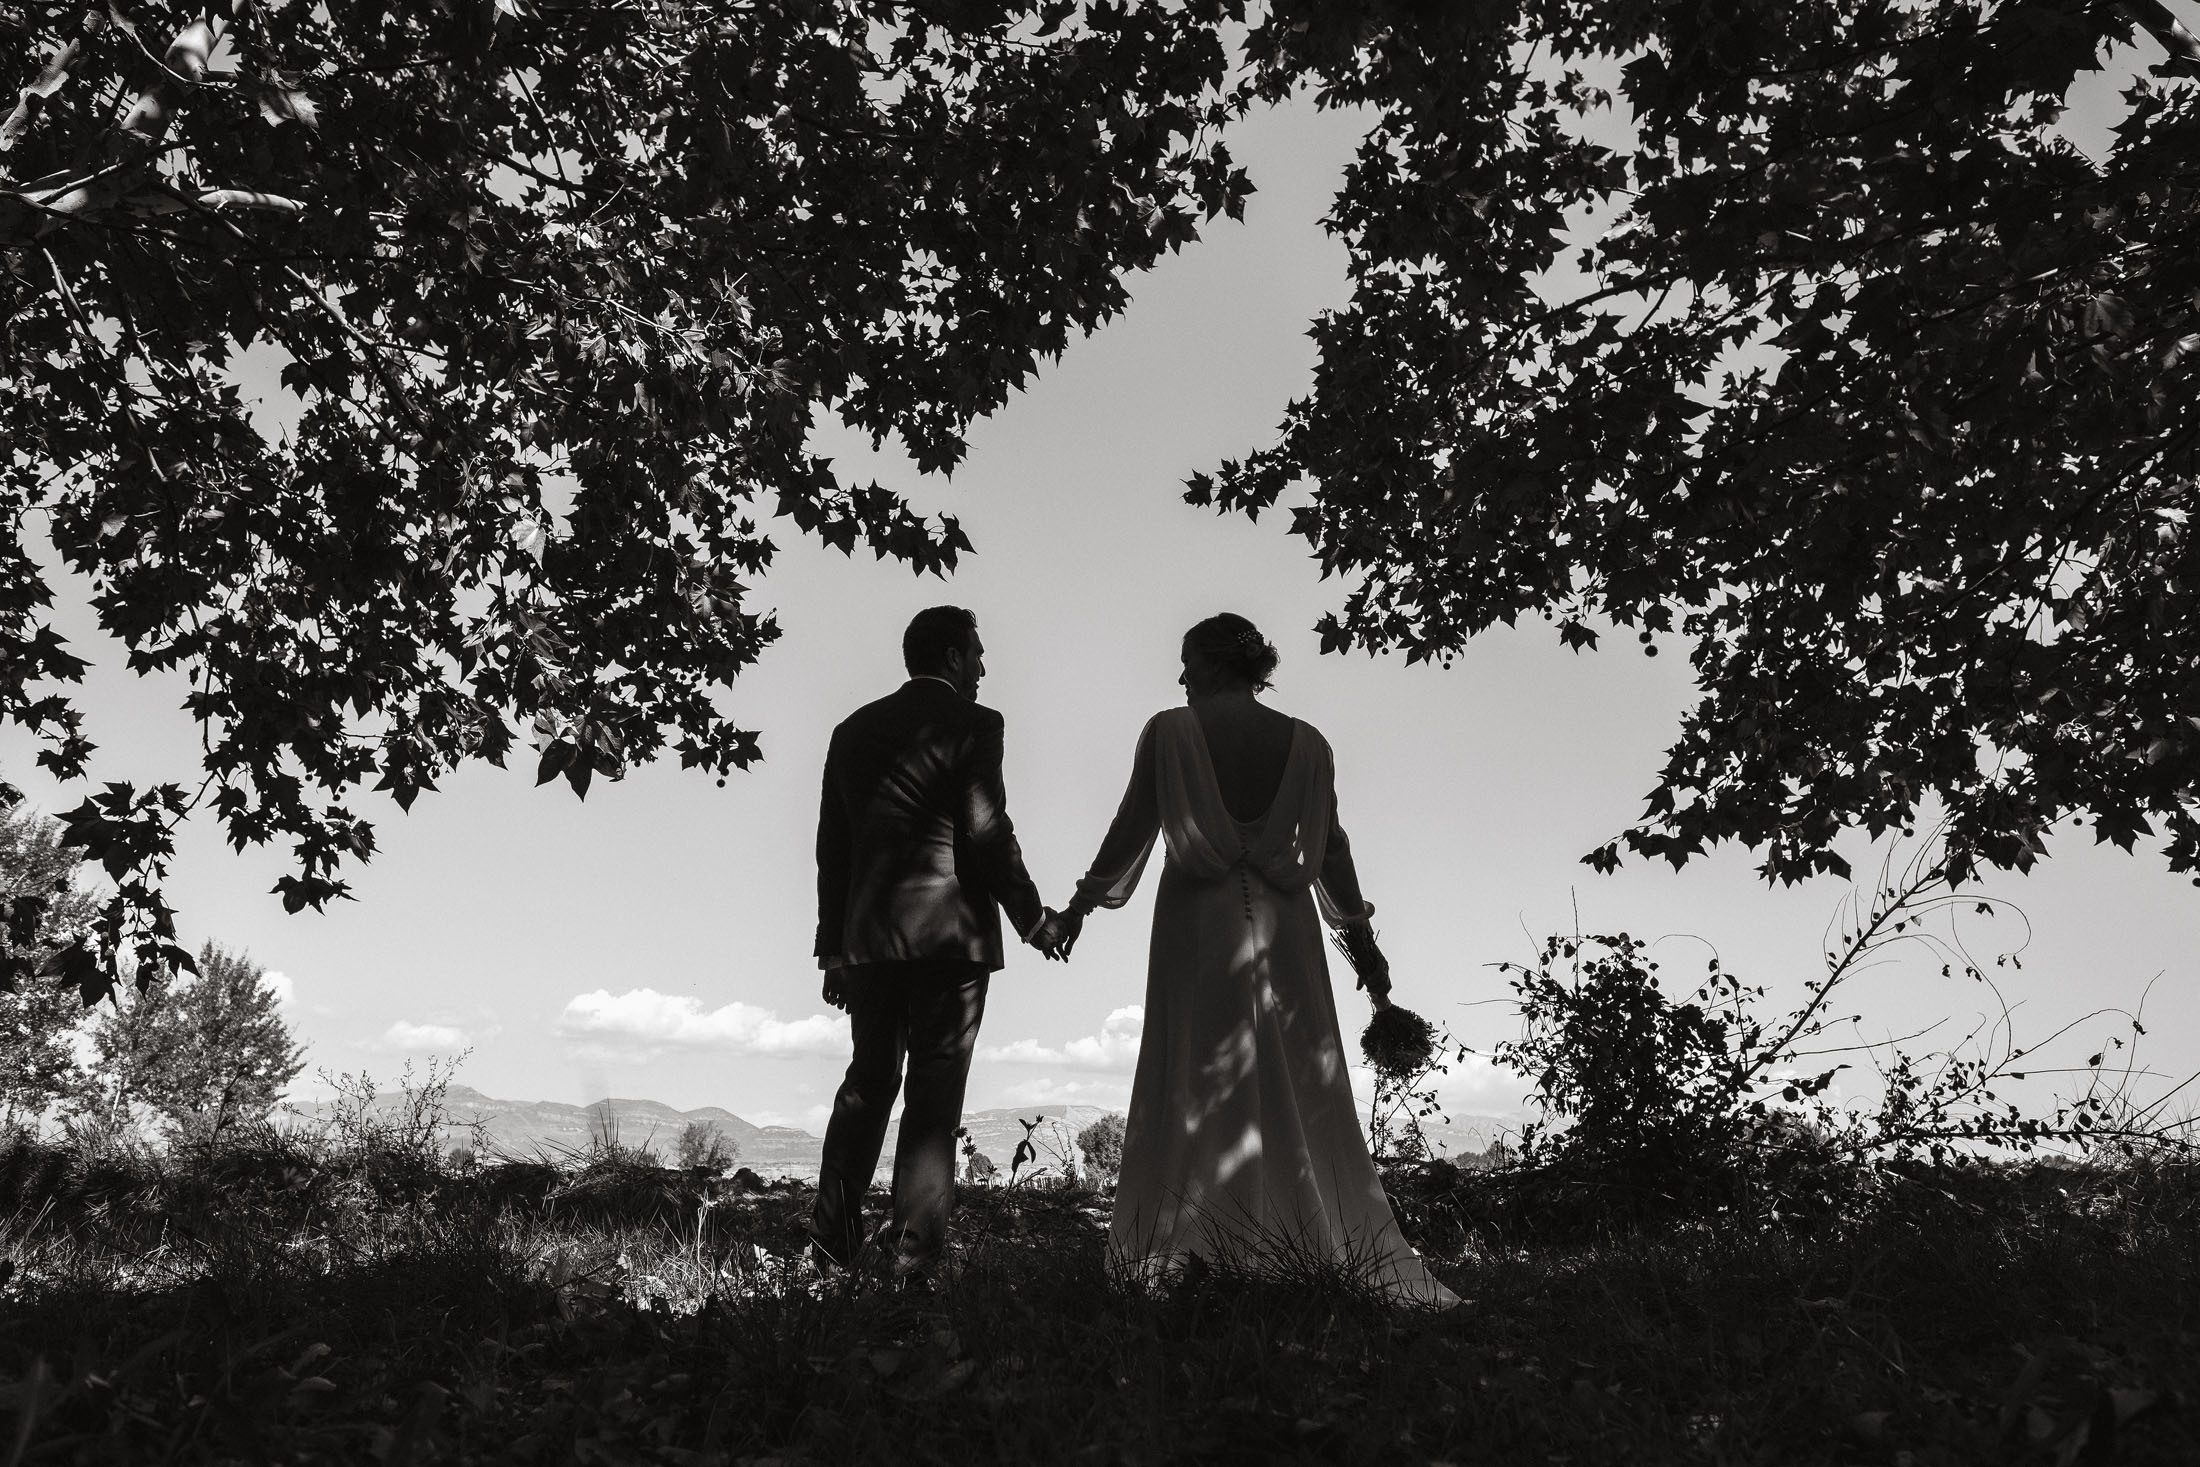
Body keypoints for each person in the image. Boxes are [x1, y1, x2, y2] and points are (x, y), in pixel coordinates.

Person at [1035, 614, 1459, 1309]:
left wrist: (1080, 908)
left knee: (1195, 1070)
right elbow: (1333, 849)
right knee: (1296, 1069)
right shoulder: (1311, 746)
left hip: (1197, 929)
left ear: (1212, 664)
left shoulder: (1170, 731)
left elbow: (1131, 825)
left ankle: (1194, 1242)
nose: (1179, 677)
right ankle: (1301, 1238)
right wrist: (1364, 945)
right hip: (1286, 933)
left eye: (1186, 662)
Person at [810, 606, 1065, 1278]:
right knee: (933, 1094)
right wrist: (1033, 918)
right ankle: (913, 1258)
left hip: (869, 940)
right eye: (977, 653)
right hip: (950, 940)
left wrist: (834, 948)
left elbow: (833, 848)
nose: (983, 667)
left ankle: (831, 1242)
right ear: (952, 657)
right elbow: (984, 828)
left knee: (867, 1082)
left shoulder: (853, 729)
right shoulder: (976, 724)